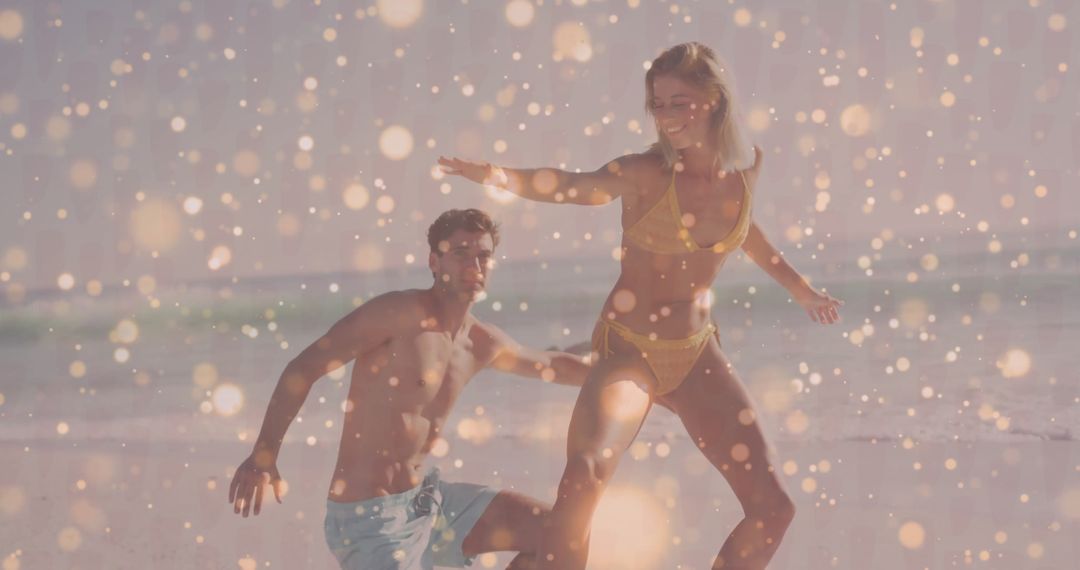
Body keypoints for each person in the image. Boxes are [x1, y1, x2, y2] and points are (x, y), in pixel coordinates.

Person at [439, 42, 843, 569]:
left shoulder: (746, 171)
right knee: (583, 477)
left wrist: (801, 290)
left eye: (680, 102)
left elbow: (747, 234)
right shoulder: (645, 172)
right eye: (658, 103)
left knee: (773, 509)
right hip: (628, 352)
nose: (667, 116)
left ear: (715, 100)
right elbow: (571, 187)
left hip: (696, 355)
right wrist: (495, 173)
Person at [228, 208, 591, 569]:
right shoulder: (397, 314)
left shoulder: (481, 342)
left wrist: (635, 368)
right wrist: (264, 455)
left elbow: (554, 364)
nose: (474, 266)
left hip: (429, 503)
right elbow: (303, 368)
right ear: (435, 261)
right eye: (460, 253)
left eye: (483, 255)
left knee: (560, 534)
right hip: (369, 522)